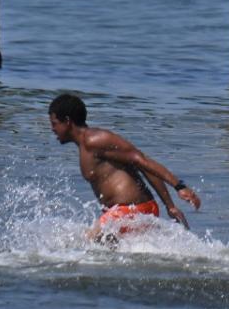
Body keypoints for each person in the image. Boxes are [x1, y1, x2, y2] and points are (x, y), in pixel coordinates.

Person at [48, 93, 201, 240]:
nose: (52, 129)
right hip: (127, 212)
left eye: (54, 123)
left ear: (67, 121)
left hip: (132, 211)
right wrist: (169, 206)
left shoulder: (95, 140)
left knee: (83, 244)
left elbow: (142, 161)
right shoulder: (85, 145)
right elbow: (142, 166)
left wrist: (178, 187)